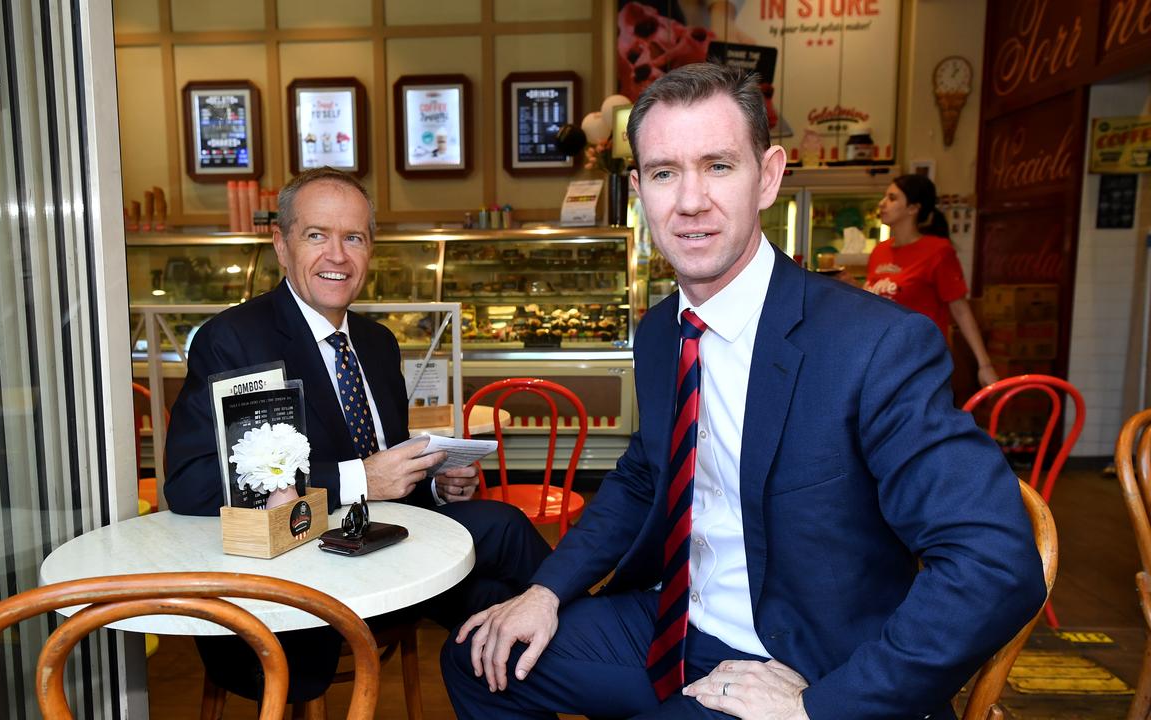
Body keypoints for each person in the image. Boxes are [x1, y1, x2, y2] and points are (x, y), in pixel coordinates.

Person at [441, 64, 1044, 720]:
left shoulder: (872, 345)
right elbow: (646, 475)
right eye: (666, 173)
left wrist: (824, 706)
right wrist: (547, 590)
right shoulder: (659, 334)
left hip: (804, 663)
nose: (690, 200)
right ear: (639, 190)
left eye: (719, 166)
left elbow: (996, 561)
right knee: (477, 658)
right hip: (674, 624)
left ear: (770, 176)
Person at [163, 166, 551, 703]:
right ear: (280, 244)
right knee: (493, 590)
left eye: (354, 238)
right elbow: (192, 485)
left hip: (388, 539)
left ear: (371, 250)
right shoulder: (233, 339)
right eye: (316, 235)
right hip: (309, 556)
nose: (338, 256)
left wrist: (437, 482)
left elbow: (387, 461)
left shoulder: (376, 342)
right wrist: (360, 479)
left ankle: (583, 656)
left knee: (504, 571)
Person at [866, 174, 1000, 387]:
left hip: (922, 362)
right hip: (883, 361)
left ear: (913, 208)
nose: (882, 203)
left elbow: (960, 309)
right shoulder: (879, 252)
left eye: (892, 198)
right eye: (884, 197)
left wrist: (984, 364)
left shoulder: (937, 251)